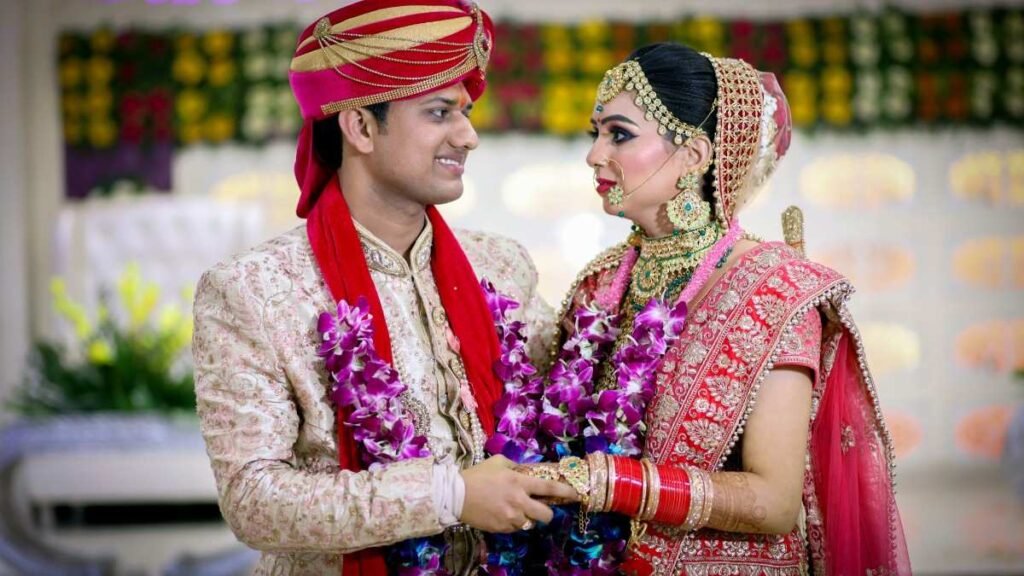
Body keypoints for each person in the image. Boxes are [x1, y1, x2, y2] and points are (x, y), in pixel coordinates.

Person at [191, 1, 575, 574]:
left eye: (466, 112)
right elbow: (254, 502)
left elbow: (561, 409)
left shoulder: (500, 263)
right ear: (361, 126)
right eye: (440, 112)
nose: (468, 135)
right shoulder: (252, 289)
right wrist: (448, 496)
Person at [525, 43, 912, 575]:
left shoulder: (774, 290)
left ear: (695, 156)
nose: (594, 154)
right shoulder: (599, 283)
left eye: (619, 133)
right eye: (596, 133)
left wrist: (611, 483)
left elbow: (774, 502)